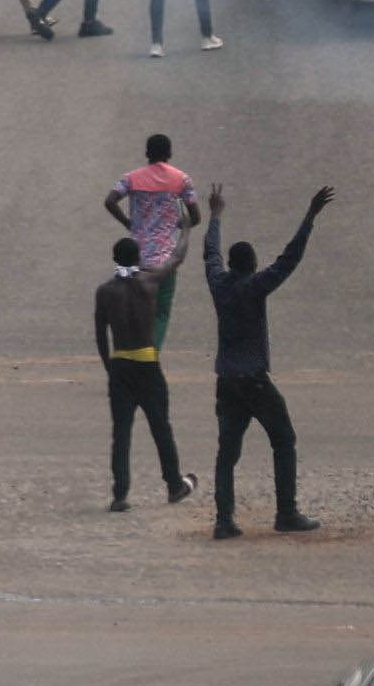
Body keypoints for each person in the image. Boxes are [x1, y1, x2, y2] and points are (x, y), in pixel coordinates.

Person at [201, 186, 328, 536]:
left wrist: (215, 216)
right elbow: (289, 259)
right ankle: (286, 513)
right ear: (253, 265)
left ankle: (223, 521)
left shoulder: (219, 284)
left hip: (226, 380)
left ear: (232, 264)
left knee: (227, 453)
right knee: (283, 439)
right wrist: (309, 217)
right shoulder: (255, 286)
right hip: (254, 379)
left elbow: (210, 253)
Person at [95, 237, 192, 511]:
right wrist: (186, 227)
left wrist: (109, 367)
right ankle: (174, 485)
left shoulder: (105, 292)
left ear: (114, 258)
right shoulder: (149, 283)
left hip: (121, 366)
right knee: (161, 427)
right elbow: (177, 258)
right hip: (148, 365)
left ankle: (120, 494)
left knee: (122, 432)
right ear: (138, 258)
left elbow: (101, 335)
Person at [107, 135, 201, 341]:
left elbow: (110, 201)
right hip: (166, 260)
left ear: (147, 153)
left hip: (135, 258)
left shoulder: (131, 178)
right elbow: (195, 217)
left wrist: (128, 222)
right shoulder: (181, 180)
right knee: (160, 312)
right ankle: (152, 355)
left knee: (133, 310)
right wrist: (174, 227)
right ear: (169, 154)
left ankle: (130, 352)